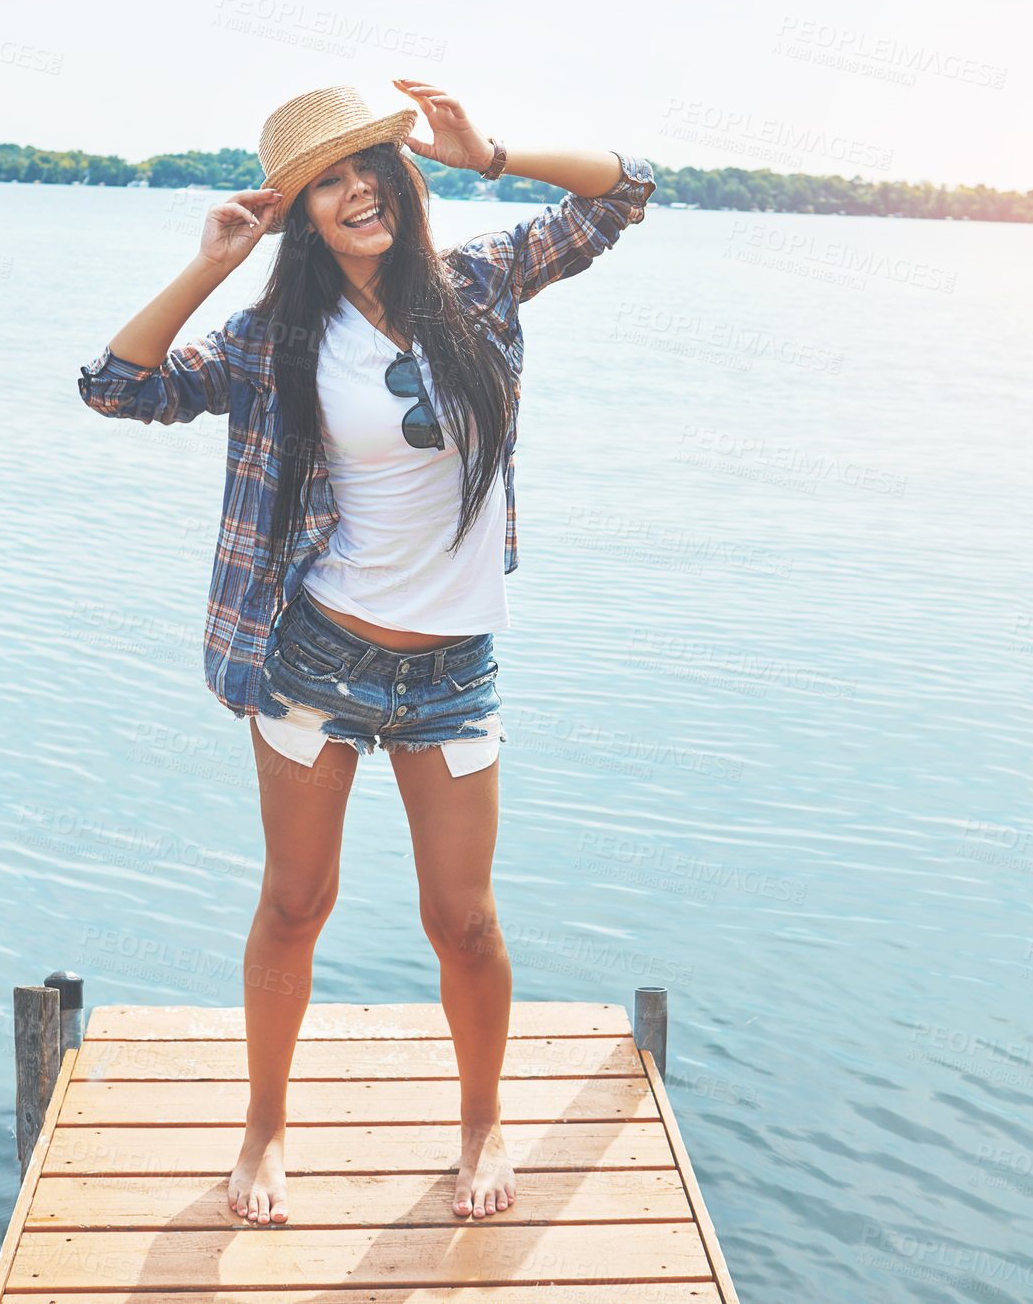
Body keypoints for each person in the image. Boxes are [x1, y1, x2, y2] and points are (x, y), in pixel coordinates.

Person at [78, 79, 655, 1229]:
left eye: (369, 171)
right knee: (294, 904)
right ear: (300, 213)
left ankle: (482, 1119)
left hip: (452, 672)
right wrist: (210, 264)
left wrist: (488, 152)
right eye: (327, 182)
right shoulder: (274, 336)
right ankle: (265, 1128)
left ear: (400, 182)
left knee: (466, 920)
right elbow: (117, 386)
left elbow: (623, 191)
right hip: (315, 661)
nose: (355, 194)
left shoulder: (477, 285)